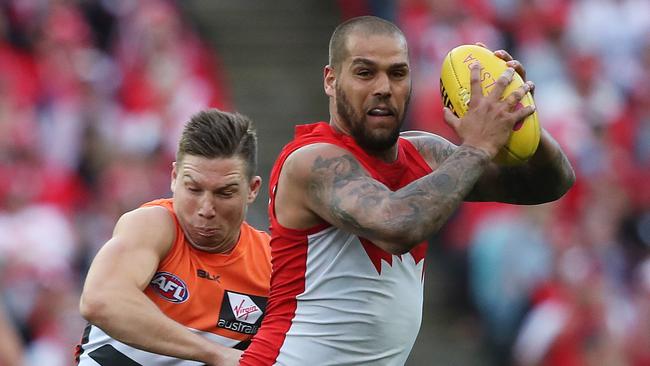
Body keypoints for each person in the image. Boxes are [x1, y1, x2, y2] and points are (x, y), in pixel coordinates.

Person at [240, 16, 575, 365]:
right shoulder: (312, 160)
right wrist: (476, 147)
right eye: (365, 72)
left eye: (397, 73)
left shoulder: (424, 153)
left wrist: (520, 116)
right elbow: (398, 227)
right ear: (330, 80)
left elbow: (549, 183)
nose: (384, 87)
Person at [76, 109, 271, 366]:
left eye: (224, 193)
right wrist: (216, 354)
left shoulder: (272, 263)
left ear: (253, 189)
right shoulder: (152, 225)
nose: (206, 209)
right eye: (193, 189)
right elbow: (99, 301)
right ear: (174, 177)